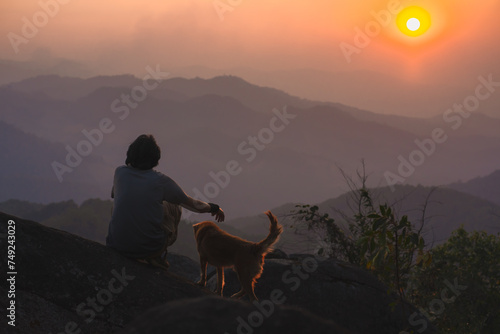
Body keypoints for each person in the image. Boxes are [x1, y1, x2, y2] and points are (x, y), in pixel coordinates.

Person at [106, 134, 225, 269]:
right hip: (148, 249)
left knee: (117, 205)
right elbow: (194, 206)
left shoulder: (120, 172)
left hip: (116, 244)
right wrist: (214, 208)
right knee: (175, 205)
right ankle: (157, 255)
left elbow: (114, 194)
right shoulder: (161, 182)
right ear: (155, 158)